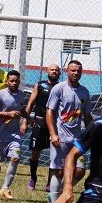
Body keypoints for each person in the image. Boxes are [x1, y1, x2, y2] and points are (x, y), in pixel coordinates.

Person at [45, 60, 93, 203]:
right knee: (58, 171)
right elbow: (50, 112)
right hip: (61, 137)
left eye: (78, 71)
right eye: (73, 70)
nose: (76, 73)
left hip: (77, 138)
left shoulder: (85, 92)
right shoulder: (59, 89)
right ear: (67, 71)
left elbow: (87, 116)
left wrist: (93, 133)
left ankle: (58, 193)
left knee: (79, 171)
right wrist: (53, 133)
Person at [0, 71, 29, 200]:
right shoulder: (0, 95)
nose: (14, 83)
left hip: (14, 134)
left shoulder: (21, 95)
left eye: (16, 81)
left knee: (15, 158)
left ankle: (5, 188)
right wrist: (7, 114)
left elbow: (21, 109)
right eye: (12, 81)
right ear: (7, 82)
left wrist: (28, 119)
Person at [24, 63, 61, 192]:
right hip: (39, 123)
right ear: (47, 71)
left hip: (55, 125)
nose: (54, 72)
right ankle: (33, 178)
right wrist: (25, 121)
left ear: (60, 73)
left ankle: (50, 183)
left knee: (54, 155)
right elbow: (30, 103)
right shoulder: (40, 85)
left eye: (56, 70)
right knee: (35, 153)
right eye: (52, 70)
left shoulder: (62, 87)